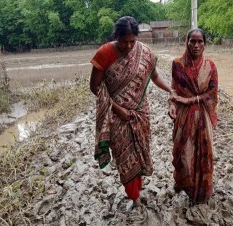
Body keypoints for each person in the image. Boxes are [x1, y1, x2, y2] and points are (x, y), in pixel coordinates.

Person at [89, 16, 176, 207]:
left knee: (140, 151)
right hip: (116, 116)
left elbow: (155, 76)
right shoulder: (104, 53)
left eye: (132, 41)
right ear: (116, 36)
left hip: (140, 112)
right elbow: (95, 87)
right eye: (124, 41)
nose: (129, 46)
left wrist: (171, 90)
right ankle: (134, 197)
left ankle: (138, 189)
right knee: (124, 156)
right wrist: (117, 108)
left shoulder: (144, 52)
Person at [169, 28, 218, 205]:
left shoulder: (210, 66)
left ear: (205, 44)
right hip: (183, 117)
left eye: (200, 42)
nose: (196, 45)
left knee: (203, 155)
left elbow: (212, 94)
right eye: (193, 41)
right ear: (187, 42)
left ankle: (200, 194)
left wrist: (191, 100)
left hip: (202, 119)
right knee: (182, 153)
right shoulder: (177, 64)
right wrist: (171, 105)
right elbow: (174, 89)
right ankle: (182, 182)